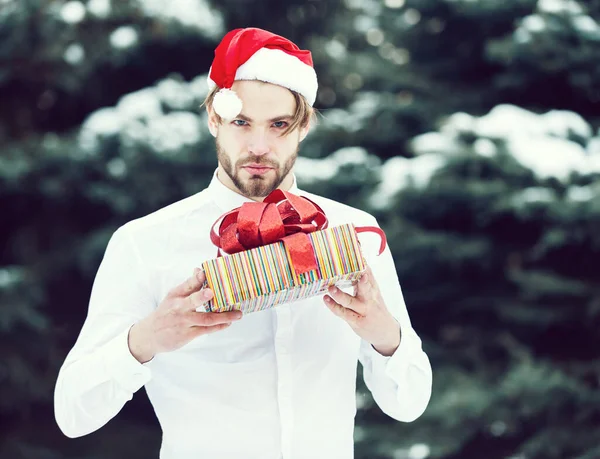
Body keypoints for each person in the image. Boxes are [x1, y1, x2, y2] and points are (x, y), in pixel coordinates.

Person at [54, 27, 432, 459]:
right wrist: (144, 340)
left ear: (303, 126)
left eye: (278, 125)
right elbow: (73, 413)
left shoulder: (353, 234)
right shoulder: (144, 243)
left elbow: (409, 403)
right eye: (241, 122)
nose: (258, 146)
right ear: (214, 119)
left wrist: (384, 333)